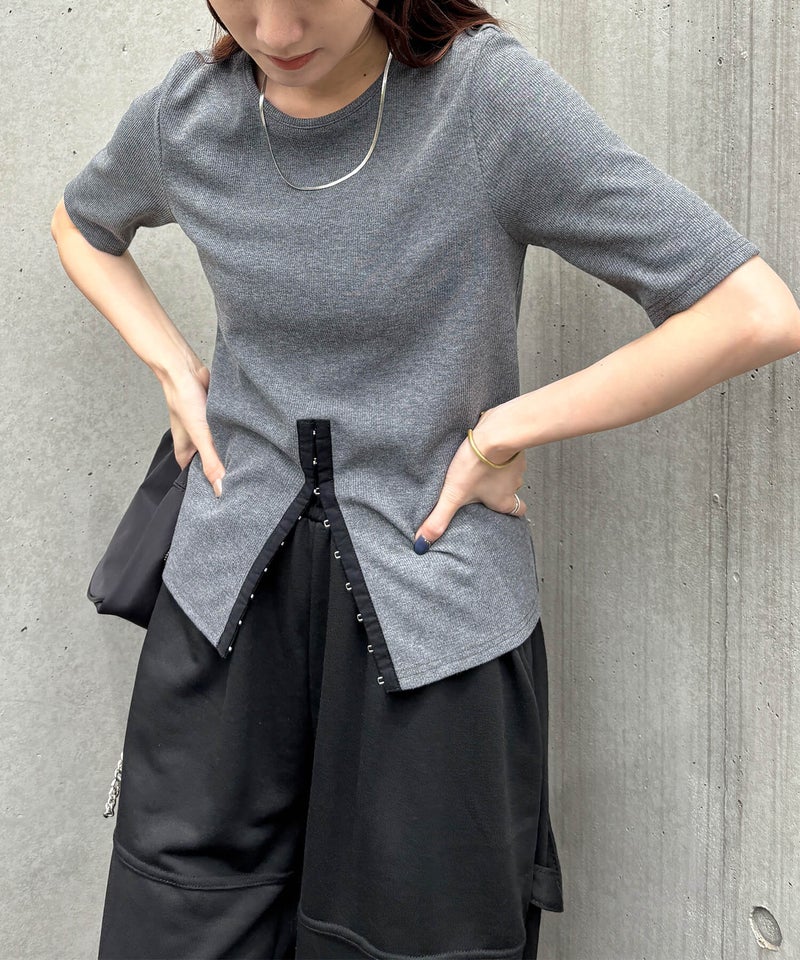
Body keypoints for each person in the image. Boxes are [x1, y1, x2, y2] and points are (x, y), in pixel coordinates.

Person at [51, 1, 800, 958]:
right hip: (222, 616)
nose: (274, 31)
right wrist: (172, 365)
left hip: (432, 633)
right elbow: (82, 223)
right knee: (178, 928)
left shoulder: (481, 100)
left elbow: (752, 311)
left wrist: (509, 427)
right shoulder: (191, 113)